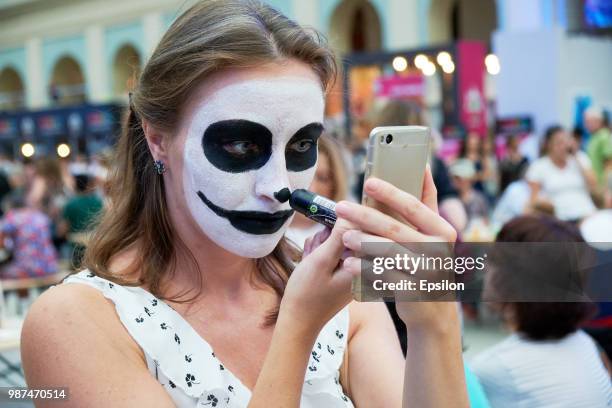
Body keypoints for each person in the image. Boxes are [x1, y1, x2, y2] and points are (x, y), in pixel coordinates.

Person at [21, 2, 468, 407]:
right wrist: (297, 330)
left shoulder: (338, 293)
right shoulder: (74, 321)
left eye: (301, 145)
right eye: (239, 144)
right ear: (158, 138)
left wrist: (434, 316)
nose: (278, 186)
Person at [472, 215, 612, 407]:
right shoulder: (587, 345)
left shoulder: (493, 370)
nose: (485, 266)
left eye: (494, 258)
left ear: (514, 278)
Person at [286, 135, 349, 248]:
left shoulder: (345, 236)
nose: (312, 188)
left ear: (336, 184)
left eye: (323, 178)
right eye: (305, 175)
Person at [526, 125, 597, 223]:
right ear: (548, 145)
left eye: (566, 141)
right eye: (559, 143)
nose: (564, 146)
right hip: (558, 219)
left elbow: (594, 185)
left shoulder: (580, 158)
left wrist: (576, 155)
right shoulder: (538, 166)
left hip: (586, 213)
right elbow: (534, 199)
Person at [0, 190, 58, 279]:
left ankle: (22, 293)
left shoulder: (12, 217)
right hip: (50, 266)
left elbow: (1, 242)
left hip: (28, 269)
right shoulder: (40, 215)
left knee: (4, 272)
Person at [58, 174, 104, 269]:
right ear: (88, 185)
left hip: (75, 248)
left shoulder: (70, 204)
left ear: (75, 185)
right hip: (95, 244)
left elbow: (62, 230)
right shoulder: (98, 202)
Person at [584, 106, 612, 188]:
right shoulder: (593, 137)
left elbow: (609, 162)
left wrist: (606, 186)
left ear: (599, 121)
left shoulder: (604, 136)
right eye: (586, 122)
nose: (586, 125)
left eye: (589, 121)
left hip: (602, 185)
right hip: (594, 183)